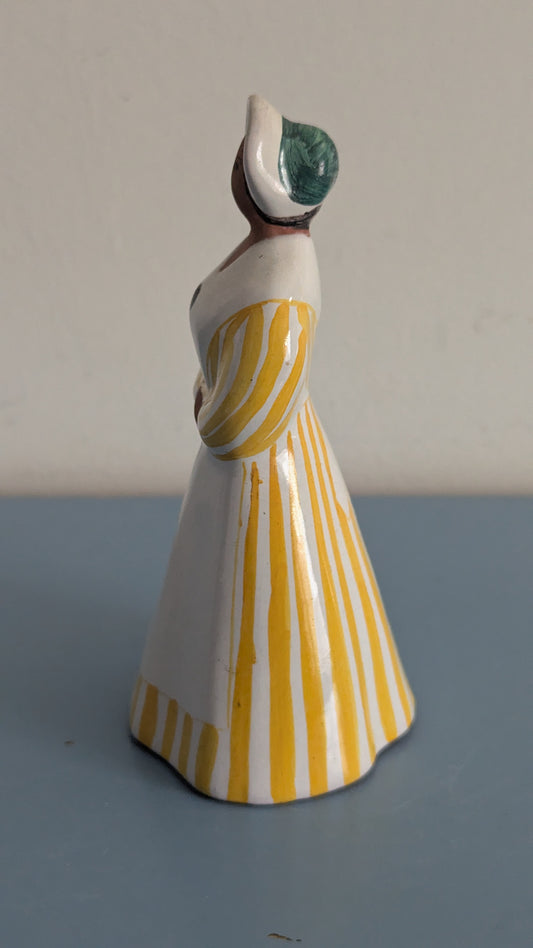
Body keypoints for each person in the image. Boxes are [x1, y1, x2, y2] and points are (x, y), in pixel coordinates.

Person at [130, 95, 415, 804]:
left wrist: (210, 411)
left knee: (264, 600)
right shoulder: (267, 256)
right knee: (216, 602)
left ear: (260, 185)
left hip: (264, 483)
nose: (234, 165)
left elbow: (251, 420)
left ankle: (270, 749)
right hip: (238, 470)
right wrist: (211, 390)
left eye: (245, 159)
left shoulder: (284, 285)